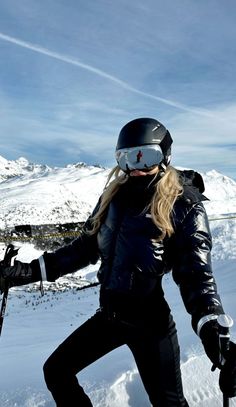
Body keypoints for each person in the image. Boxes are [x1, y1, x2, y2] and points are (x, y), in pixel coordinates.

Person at [0, 117, 235, 406]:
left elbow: (196, 274)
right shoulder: (114, 197)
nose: (135, 168)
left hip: (151, 325)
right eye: (126, 158)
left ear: (165, 156)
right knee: (57, 371)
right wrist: (26, 271)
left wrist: (211, 329)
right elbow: (83, 248)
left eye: (146, 156)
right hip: (111, 317)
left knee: (169, 403)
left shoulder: (183, 204)